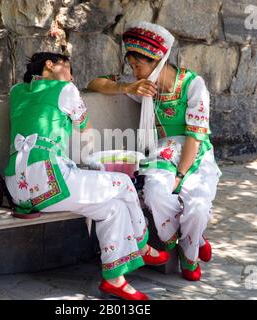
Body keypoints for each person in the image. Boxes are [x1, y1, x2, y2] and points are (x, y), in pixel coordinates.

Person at [4, 52, 170, 300]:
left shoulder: (17, 90)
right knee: (124, 183)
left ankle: (115, 280)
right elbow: (84, 127)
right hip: (49, 181)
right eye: (68, 68)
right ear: (50, 65)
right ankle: (143, 244)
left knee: (112, 208)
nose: (71, 76)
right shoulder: (65, 89)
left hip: (17, 186)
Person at [88, 21, 222, 281]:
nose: (135, 72)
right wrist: (126, 88)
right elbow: (96, 83)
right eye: (132, 67)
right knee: (156, 193)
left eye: (139, 66)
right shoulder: (143, 86)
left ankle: (189, 254)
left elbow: (195, 137)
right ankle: (190, 241)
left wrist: (180, 176)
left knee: (197, 204)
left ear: (157, 62)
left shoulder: (193, 85)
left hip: (195, 153)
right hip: (162, 151)